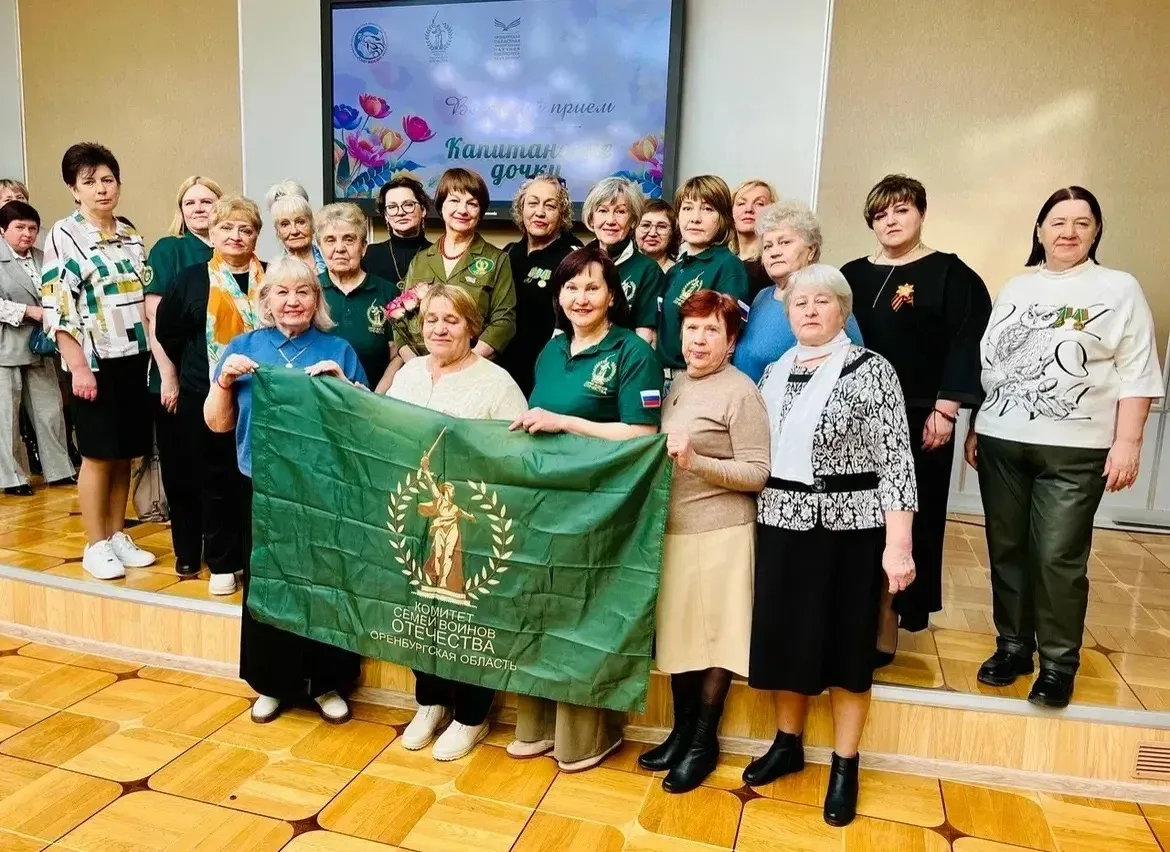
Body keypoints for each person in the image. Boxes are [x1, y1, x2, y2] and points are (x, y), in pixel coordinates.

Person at [965, 186, 1162, 709]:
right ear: (1039, 230)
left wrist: (1128, 443)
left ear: (1096, 232)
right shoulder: (1016, 287)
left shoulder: (1119, 288)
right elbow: (993, 366)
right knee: (1007, 549)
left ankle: (1057, 664)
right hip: (1003, 440)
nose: (1068, 232)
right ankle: (1013, 647)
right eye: (1058, 221)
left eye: (1081, 222)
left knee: (1057, 557)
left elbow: (1138, 372)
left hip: (1076, 451)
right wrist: (979, 426)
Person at [745, 263, 916, 827]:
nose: (810, 310)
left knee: (847, 650)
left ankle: (845, 764)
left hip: (849, 529)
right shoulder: (774, 370)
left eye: (822, 301)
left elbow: (897, 462)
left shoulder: (872, 370)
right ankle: (787, 744)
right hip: (779, 522)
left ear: (843, 311)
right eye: (800, 303)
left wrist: (899, 546)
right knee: (785, 639)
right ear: (788, 314)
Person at [506, 245, 663, 772]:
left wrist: (566, 423)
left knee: (583, 614)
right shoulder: (551, 351)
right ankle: (537, 726)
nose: (580, 297)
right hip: (544, 499)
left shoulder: (632, 352)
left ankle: (588, 735)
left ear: (612, 296)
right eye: (570, 287)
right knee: (539, 605)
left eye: (593, 287)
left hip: (601, 505)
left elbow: (642, 433)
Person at [204, 255, 367, 724]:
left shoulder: (338, 350)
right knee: (267, 584)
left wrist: (346, 387)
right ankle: (271, 683)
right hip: (261, 486)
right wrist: (224, 379)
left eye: (303, 291)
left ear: (317, 300)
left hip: (322, 489)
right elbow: (217, 424)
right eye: (282, 292)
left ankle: (326, 683)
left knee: (323, 583)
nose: (292, 301)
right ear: (266, 300)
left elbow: (363, 426)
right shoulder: (243, 347)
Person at [842, 175, 992, 661]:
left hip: (919, 415)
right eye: (881, 213)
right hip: (854, 416)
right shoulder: (850, 274)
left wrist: (946, 409)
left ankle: (889, 615)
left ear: (921, 214)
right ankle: (851, 615)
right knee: (856, 517)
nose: (891, 220)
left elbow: (968, 341)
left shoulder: (951, 274)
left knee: (909, 520)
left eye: (901, 210)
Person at [388, 284, 527, 760]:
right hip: (413, 512)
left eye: (452, 320)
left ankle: (471, 714)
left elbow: (515, 454)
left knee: (466, 614)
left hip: (470, 519)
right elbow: (379, 425)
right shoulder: (409, 374)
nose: (440, 329)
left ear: (471, 326)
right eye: (431, 319)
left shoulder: (496, 382)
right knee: (418, 609)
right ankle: (430, 701)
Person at [639, 289, 770, 793]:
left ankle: (702, 743)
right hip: (675, 530)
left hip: (721, 533)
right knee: (680, 638)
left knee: (716, 640)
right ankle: (680, 733)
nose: (699, 339)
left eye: (712, 330)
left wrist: (697, 463)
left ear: (731, 341)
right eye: (692, 328)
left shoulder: (741, 392)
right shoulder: (677, 384)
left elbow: (757, 473)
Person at [41, 143, 156, 580]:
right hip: (95, 361)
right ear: (74, 190)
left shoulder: (129, 232)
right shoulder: (65, 234)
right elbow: (57, 306)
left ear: (119, 185)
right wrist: (79, 366)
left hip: (135, 358)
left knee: (125, 453)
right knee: (98, 454)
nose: (101, 189)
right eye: (89, 182)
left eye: (107, 180)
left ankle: (117, 534)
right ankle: (95, 543)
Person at [156, 195, 265, 596]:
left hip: (261, 398)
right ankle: (222, 562)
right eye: (226, 228)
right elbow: (168, 332)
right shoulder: (190, 279)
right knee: (214, 479)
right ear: (212, 233)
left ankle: (256, 562)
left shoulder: (272, 278)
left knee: (254, 483)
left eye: (245, 229)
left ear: (256, 236)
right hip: (206, 395)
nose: (236, 236)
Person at [144, 176, 224, 577]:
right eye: (190, 202)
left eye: (207, 201)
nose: (198, 208)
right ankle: (188, 551)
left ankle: (221, 551)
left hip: (220, 384)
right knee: (182, 470)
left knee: (218, 472)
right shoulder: (169, 250)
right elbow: (154, 319)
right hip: (176, 378)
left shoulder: (232, 250)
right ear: (180, 210)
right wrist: (169, 377)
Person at [733, 201, 863, 383]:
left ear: (811, 250)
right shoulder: (761, 296)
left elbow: (855, 368)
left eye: (784, 242)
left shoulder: (827, 300)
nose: (774, 252)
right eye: (768, 246)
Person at [398, 169, 515, 367]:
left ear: (480, 212)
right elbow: (400, 319)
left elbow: (504, 322)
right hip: (423, 370)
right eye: (454, 200)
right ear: (441, 205)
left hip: (473, 369)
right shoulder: (420, 260)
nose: (463, 210)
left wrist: (464, 364)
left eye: (472, 203)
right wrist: (418, 367)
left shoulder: (497, 260)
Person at [0, 201, 74, 495]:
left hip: (42, 345)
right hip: (6, 346)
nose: (27, 234)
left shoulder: (44, 258)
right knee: (6, 417)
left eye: (32, 228)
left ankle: (60, 470)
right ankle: (11, 478)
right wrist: (28, 311)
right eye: (19, 227)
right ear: (2, 229)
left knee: (50, 411)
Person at [657, 176, 750, 385]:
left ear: (723, 218)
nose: (695, 218)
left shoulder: (728, 265)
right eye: (687, 208)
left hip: (700, 378)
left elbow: (729, 334)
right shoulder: (676, 270)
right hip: (663, 378)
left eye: (707, 209)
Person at [499, 175, 581, 395]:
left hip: (548, 374)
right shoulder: (508, 253)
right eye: (533, 203)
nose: (540, 212)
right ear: (521, 208)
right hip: (503, 374)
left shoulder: (572, 258)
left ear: (562, 213)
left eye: (550, 206)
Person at [316, 203, 399, 393]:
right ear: (320, 247)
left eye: (349, 239)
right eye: (330, 240)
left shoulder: (388, 293)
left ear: (363, 247)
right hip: (319, 398)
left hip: (374, 398)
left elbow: (398, 355)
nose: (339, 248)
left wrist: (375, 398)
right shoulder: (310, 291)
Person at [583, 177, 665, 345]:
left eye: (620, 212)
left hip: (623, 357)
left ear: (633, 220)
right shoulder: (575, 263)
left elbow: (646, 337)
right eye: (602, 210)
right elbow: (561, 327)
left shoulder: (648, 270)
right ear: (591, 218)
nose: (610, 221)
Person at [362, 174, 431, 289]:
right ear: (385, 216)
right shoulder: (370, 255)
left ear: (423, 210)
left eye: (408, 205)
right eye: (392, 207)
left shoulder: (437, 254)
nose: (400, 212)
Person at [730, 179, 779, 299]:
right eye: (741, 203)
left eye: (759, 204)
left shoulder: (773, 265)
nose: (748, 209)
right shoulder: (724, 261)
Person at [266, 180, 326, 275]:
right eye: (285, 224)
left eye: (300, 222)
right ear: (277, 231)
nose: (294, 231)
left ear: (312, 224)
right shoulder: (274, 271)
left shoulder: (331, 262)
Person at [635, 199, 680, 274]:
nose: (652, 233)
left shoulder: (678, 274)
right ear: (633, 230)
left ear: (672, 233)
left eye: (661, 226)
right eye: (646, 225)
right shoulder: (619, 268)